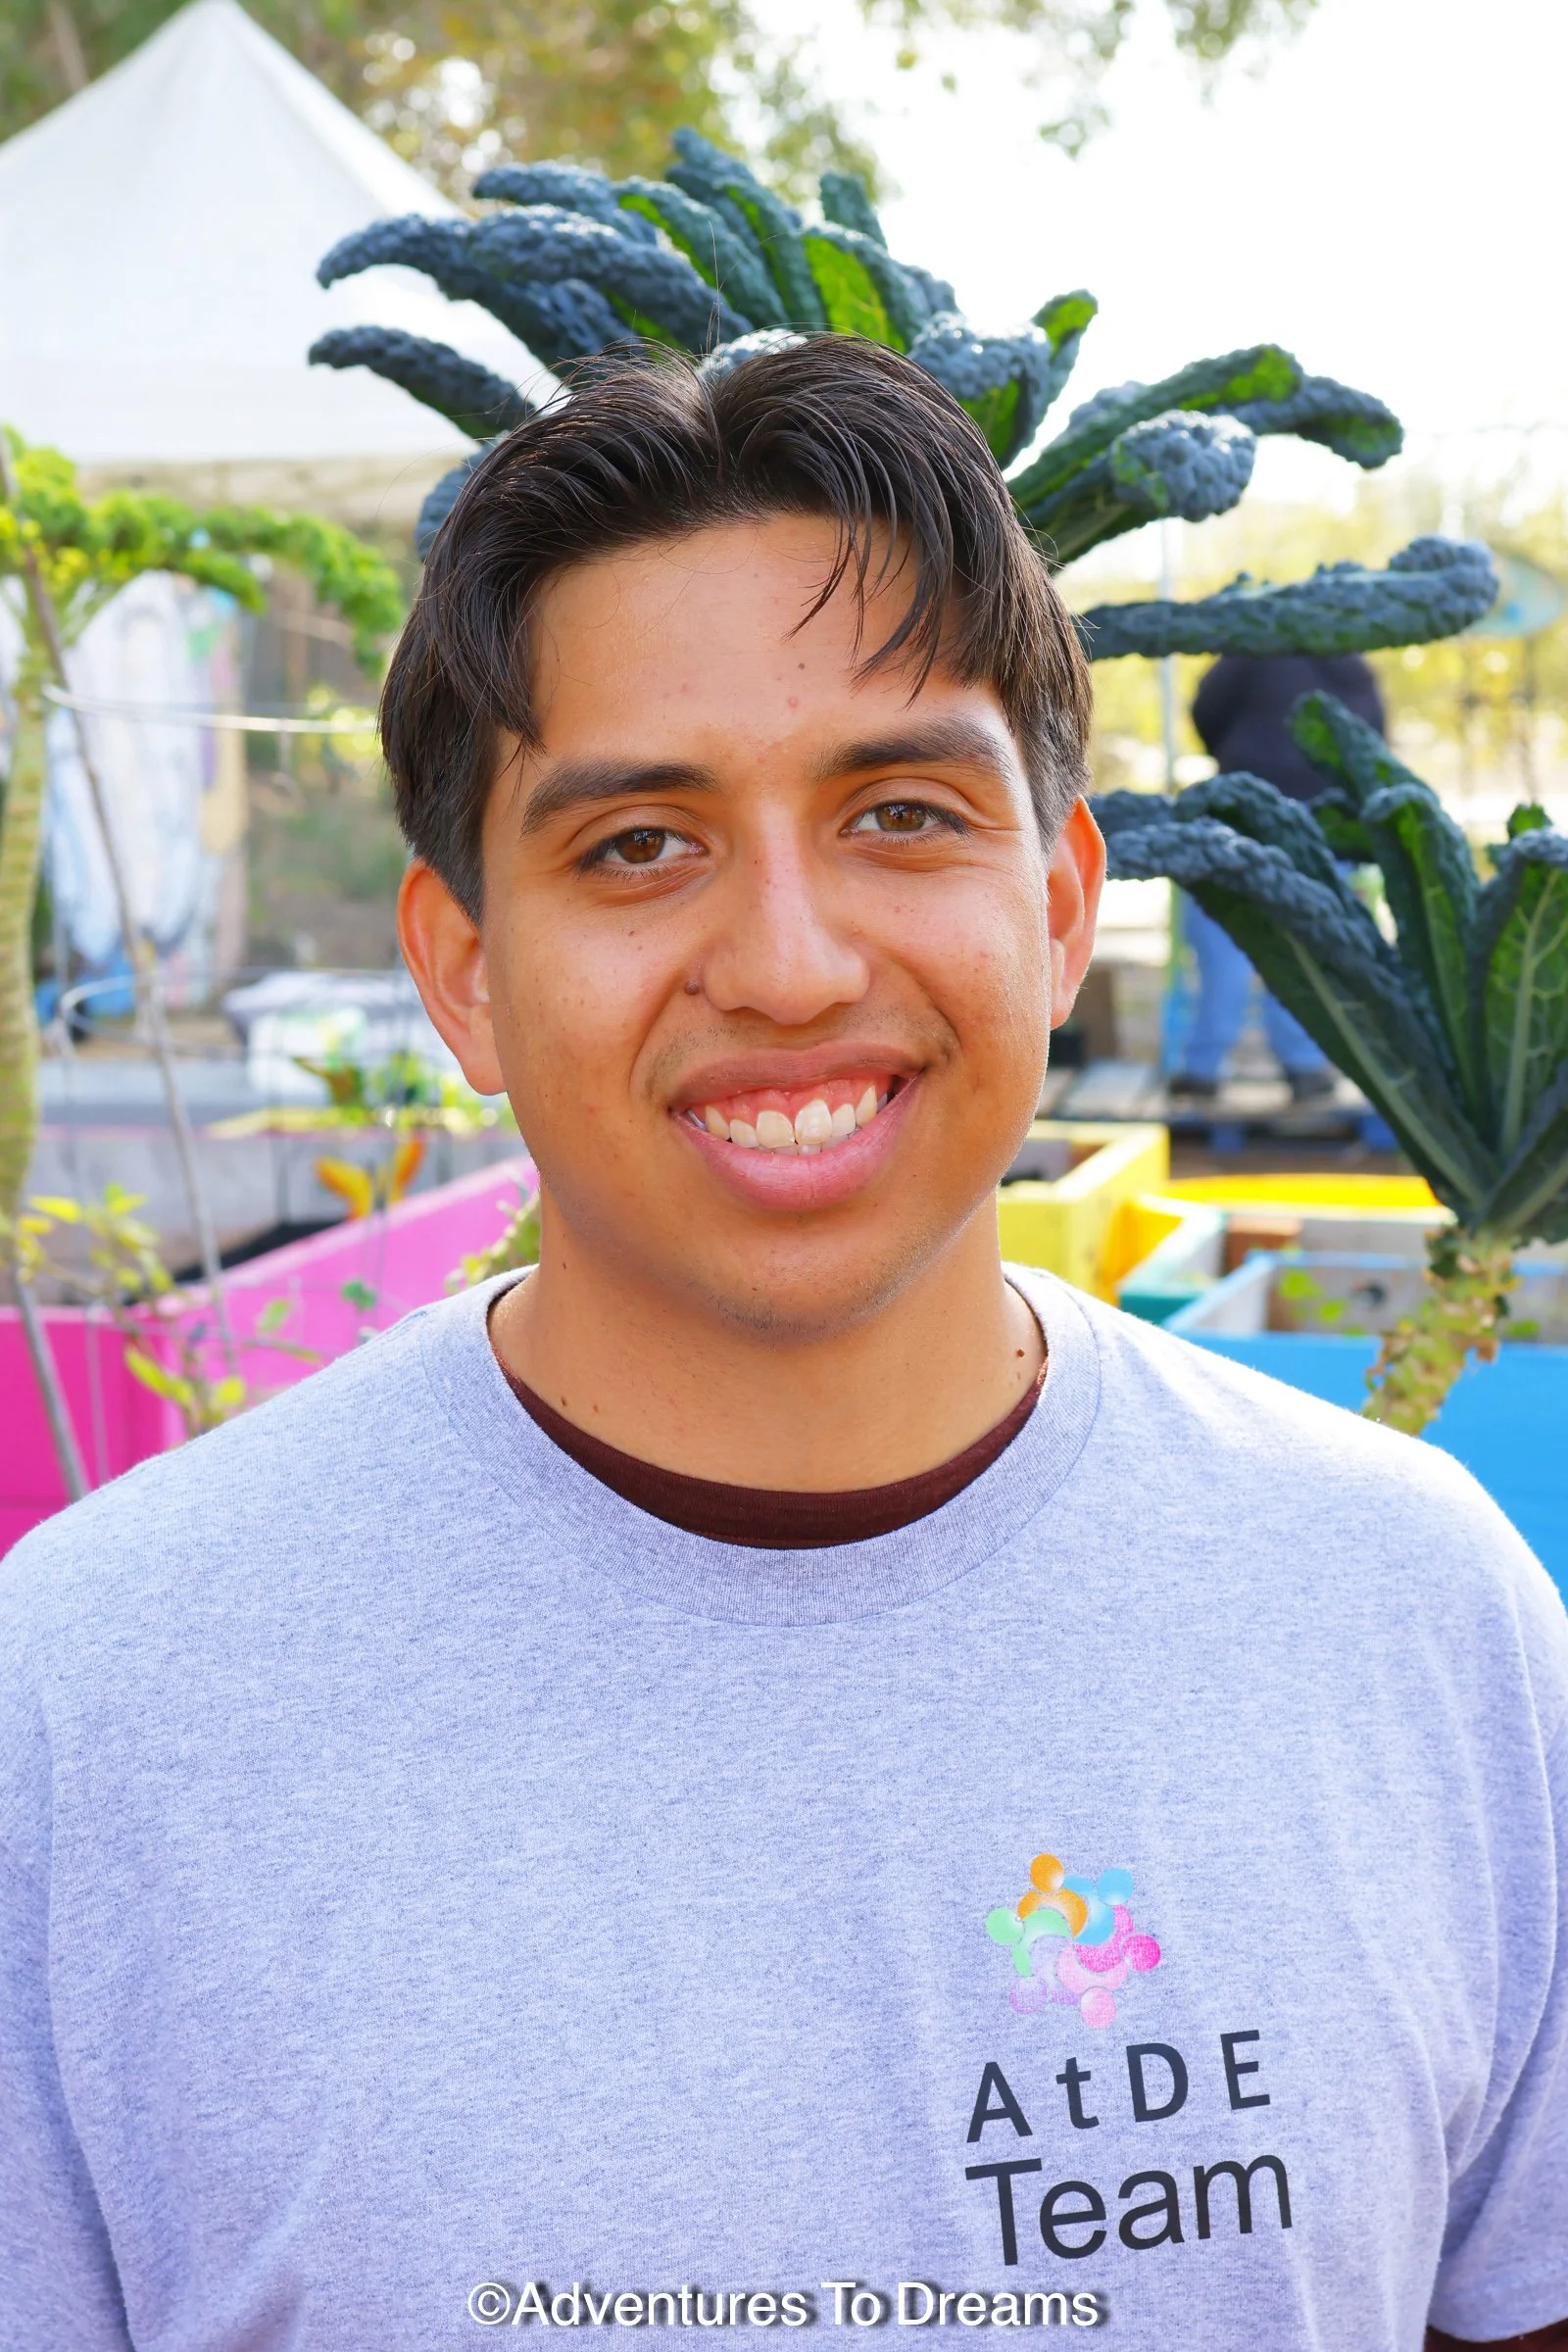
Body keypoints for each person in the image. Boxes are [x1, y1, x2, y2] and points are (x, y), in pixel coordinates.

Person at [2, 343, 1565, 2352]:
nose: (791, 965)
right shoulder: (93, 1712)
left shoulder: (1414, 1618)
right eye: (638, 846)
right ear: (464, 973)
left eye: (900, 813)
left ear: (1059, 905)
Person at [1170, 651, 1388, 1102]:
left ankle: (1202, 1068)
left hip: (1244, 807)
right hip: (1323, 822)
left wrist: (1237, 755)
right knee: (1305, 948)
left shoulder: (1252, 648)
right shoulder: (1350, 661)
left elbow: (1206, 710)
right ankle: (1305, 1066)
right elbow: (1371, 741)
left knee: (1222, 938)